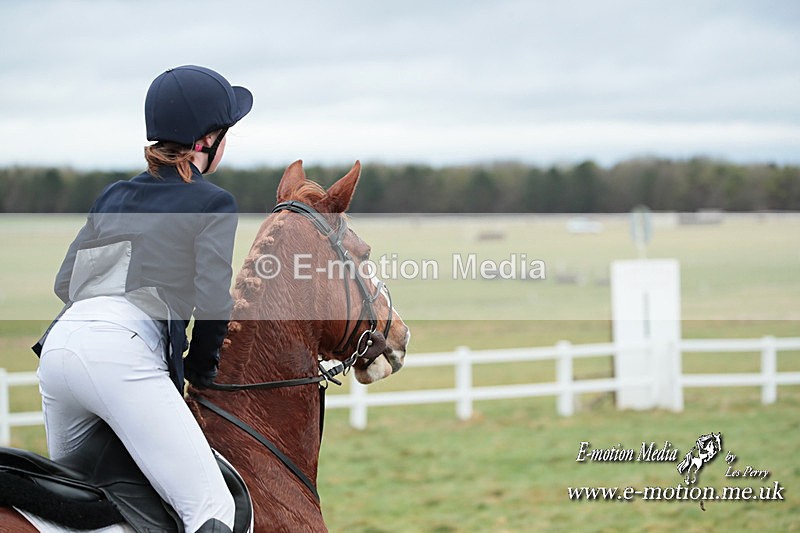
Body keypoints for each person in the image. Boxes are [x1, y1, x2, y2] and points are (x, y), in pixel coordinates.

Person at [33, 65, 253, 533]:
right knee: (213, 509)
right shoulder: (213, 202)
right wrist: (201, 372)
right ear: (207, 140)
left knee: (80, 515)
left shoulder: (115, 194)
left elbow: (66, 282)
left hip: (60, 348)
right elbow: (213, 300)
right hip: (121, 354)